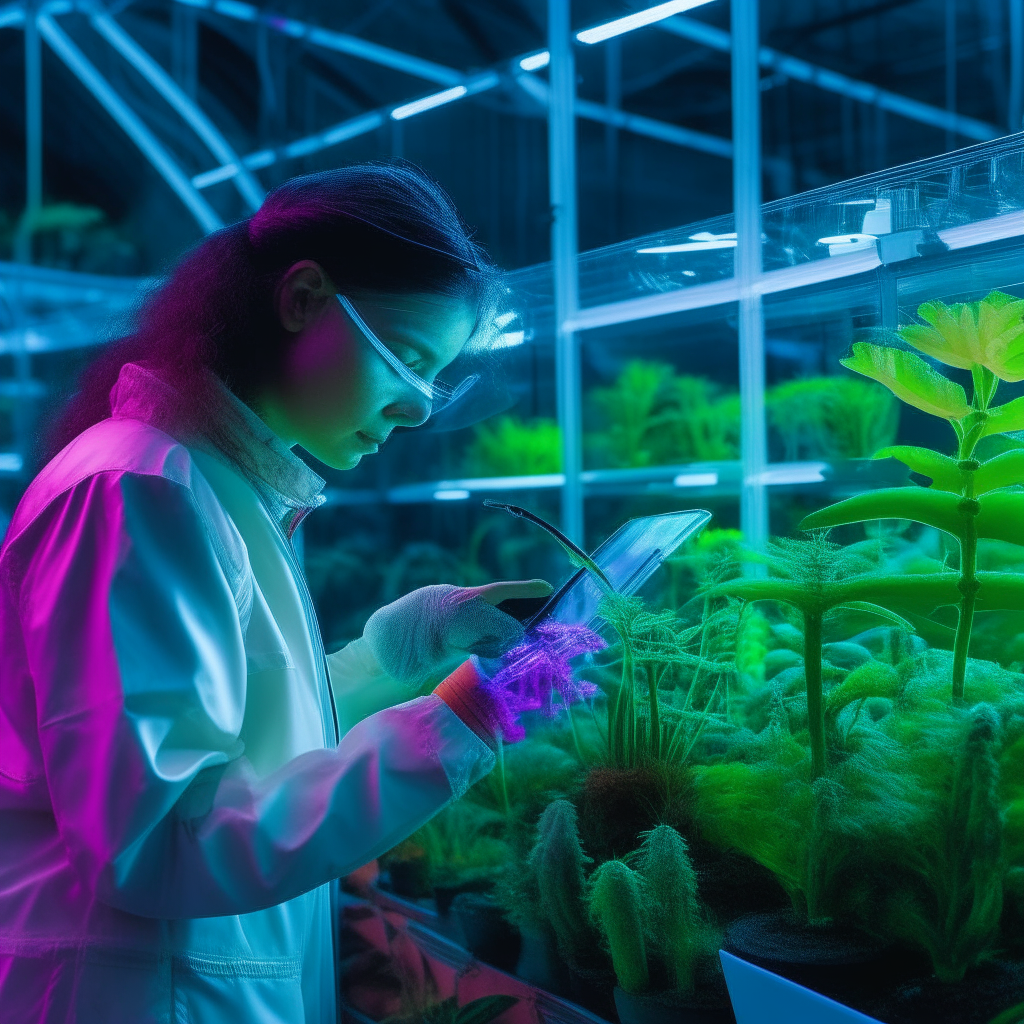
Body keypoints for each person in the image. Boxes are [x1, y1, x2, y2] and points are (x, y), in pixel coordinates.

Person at [0, 164, 551, 1023]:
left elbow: (227, 743)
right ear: (302, 299)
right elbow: (155, 843)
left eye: (436, 380)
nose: (415, 412)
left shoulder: (204, 484)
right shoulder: (139, 489)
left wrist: (393, 653)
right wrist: (462, 722)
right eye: (406, 359)